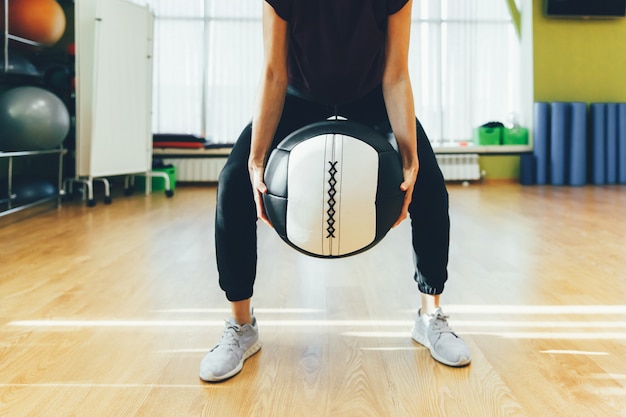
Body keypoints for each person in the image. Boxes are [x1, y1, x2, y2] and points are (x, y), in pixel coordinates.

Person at [199, 0, 471, 383]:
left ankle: (431, 316)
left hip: (371, 96)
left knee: (429, 184)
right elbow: (275, 73)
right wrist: (256, 159)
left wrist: (410, 160)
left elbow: (395, 75)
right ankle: (241, 326)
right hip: (298, 95)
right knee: (233, 183)